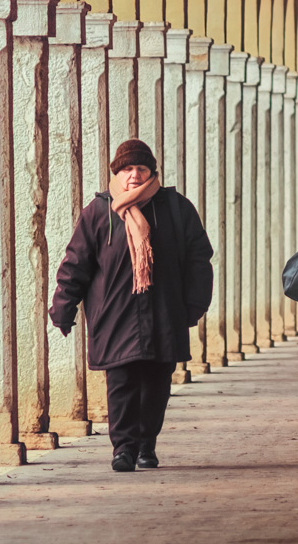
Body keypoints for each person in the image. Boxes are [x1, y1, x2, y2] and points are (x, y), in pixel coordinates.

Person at [50, 139, 213, 472]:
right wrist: (63, 307)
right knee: (122, 383)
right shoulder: (98, 212)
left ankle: (146, 445)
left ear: (152, 171)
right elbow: (76, 264)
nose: (134, 175)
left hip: (164, 314)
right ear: (116, 174)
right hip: (114, 316)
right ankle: (123, 448)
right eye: (127, 169)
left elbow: (199, 258)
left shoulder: (176, 208)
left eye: (141, 168)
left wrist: (193, 306)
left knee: (156, 384)